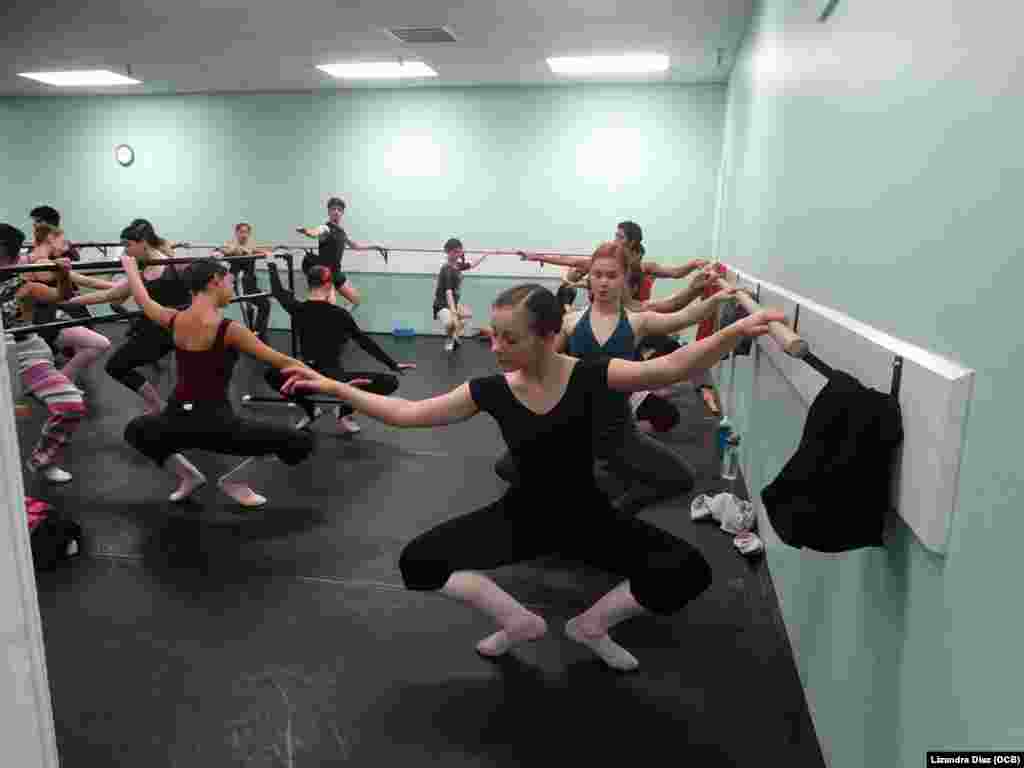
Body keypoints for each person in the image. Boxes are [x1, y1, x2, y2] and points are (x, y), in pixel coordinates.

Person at [278, 283, 782, 670]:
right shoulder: (491, 389)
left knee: (688, 571)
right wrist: (335, 387)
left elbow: (668, 368)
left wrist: (735, 331)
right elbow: (408, 413)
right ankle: (517, 621)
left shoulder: (591, 374)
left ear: (546, 335)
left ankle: (591, 626)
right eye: (493, 335)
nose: (495, 346)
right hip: (521, 517)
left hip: (588, 517)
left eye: (509, 338)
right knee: (418, 562)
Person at [497, 243, 737, 515]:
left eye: (611, 276)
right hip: (573, 425)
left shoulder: (637, 321)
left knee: (681, 478)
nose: (603, 282)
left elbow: (683, 317)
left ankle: (616, 511)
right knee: (507, 466)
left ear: (624, 278)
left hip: (618, 428)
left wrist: (717, 300)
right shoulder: (571, 322)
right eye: (597, 275)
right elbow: (544, 362)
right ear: (589, 277)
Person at [117, 238, 316, 508]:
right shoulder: (231, 330)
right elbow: (282, 361)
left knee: (135, 430)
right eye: (230, 282)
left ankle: (188, 475)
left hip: (175, 421)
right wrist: (337, 387)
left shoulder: (174, 319)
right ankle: (234, 481)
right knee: (300, 441)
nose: (232, 288)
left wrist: (130, 267)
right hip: (218, 426)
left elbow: (143, 300)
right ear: (214, 281)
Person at [263, 262, 416, 434]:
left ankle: (310, 408)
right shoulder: (340, 314)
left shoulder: (298, 308)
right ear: (329, 285)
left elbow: (277, 291)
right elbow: (364, 342)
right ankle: (344, 410)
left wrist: (271, 266)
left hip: (306, 377)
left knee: (271, 374)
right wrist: (392, 364)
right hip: (336, 379)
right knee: (390, 382)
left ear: (309, 283)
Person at [63, 220, 194, 415]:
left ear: (143, 242)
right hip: (155, 331)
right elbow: (111, 295)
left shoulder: (175, 266)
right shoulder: (141, 272)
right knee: (116, 366)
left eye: (128, 245)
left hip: (179, 329)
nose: (125, 251)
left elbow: (198, 292)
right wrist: (70, 302)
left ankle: (176, 407)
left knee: (188, 373)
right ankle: (158, 404)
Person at [1, 223, 87, 483]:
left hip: (24, 353)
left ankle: (43, 461)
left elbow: (62, 295)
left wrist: (63, 274)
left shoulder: (25, 284)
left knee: (70, 404)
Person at [23, 223, 112, 383]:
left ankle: (62, 381)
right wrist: (122, 286)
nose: (65, 247)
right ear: (51, 238)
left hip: (41, 319)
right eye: (62, 242)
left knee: (84, 343)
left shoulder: (32, 258)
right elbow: (84, 281)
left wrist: (120, 286)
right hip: (45, 321)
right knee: (99, 344)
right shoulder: (42, 263)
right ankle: (59, 381)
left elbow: (83, 281)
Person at [296, 196, 387, 307]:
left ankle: (342, 313)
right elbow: (315, 232)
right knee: (330, 306)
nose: (336, 212)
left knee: (356, 301)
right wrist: (307, 231)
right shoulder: (325, 228)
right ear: (329, 211)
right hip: (325, 275)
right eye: (333, 209)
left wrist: (375, 247)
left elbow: (355, 246)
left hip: (336, 273)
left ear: (342, 213)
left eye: (339, 210)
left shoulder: (342, 233)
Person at [216, 222, 273, 341]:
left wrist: (265, 252)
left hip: (250, 285)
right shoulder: (231, 245)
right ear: (236, 233)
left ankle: (258, 331)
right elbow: (223, 250)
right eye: (241, 232)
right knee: (242, 306)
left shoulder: (252, 246)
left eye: (246, 232)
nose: (244, 235)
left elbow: (265, 251)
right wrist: (231, 251)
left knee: (265, 304)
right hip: (235, 285)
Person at [433, 238, 484, 352]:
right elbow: (448, 292)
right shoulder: (446, 269)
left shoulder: (457, 265)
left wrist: (485, 255)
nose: (458, 254)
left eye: (459, 252)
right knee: (451, 323)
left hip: (453, 303)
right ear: (448, 252)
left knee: (467, 315)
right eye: (455, 252)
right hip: (442, 305)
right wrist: (453, 311)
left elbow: (471, 265)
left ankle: (454, 335)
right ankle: (450, 339)